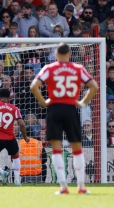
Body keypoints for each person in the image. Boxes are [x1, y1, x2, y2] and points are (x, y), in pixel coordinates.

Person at [30, 43, 98, 194]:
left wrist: (44, 102)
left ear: (56, 54)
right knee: (77, 149)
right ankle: (81, 187)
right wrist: (83, 102)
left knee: (56, 149)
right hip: (70, 108)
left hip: (54, 108)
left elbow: (34, 85)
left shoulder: (49, 68)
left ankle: (63, 187)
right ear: (69, 54)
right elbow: (94, 86)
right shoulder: (78, 68)